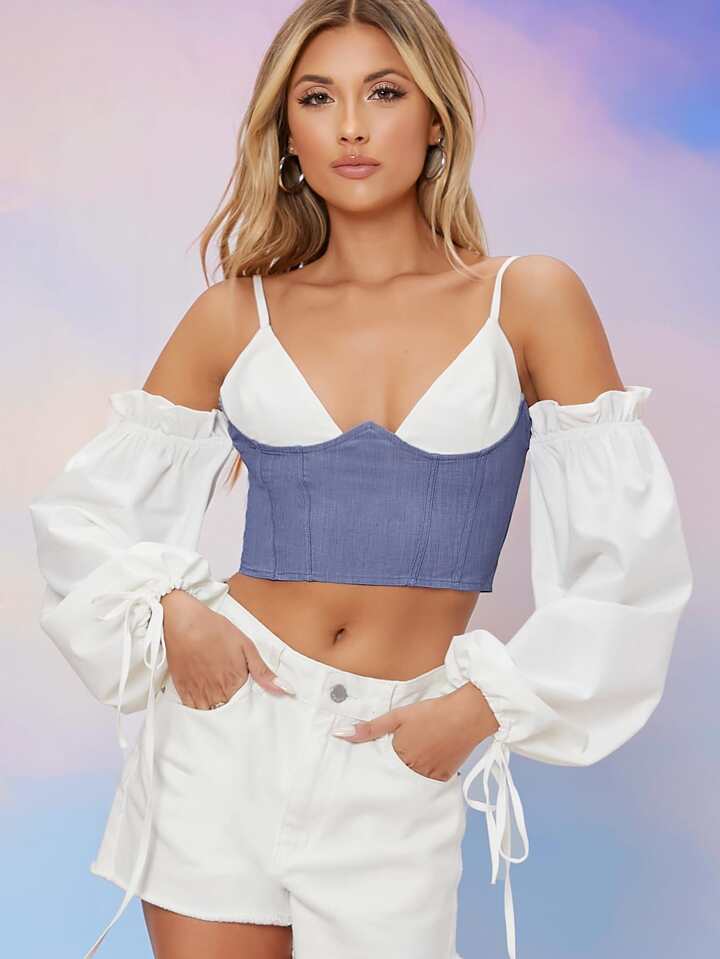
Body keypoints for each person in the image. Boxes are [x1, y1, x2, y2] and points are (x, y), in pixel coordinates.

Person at [28, 3, 693, 958]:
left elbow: (628, 565)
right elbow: (81, 515)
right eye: (317, 98)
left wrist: (473, 711)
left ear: (436, 119)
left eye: (383, 92)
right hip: (225, 737)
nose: (350, 126)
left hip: (395, 745)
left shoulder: (529, 297)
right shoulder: (235, 313)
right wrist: (173, 610)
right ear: (286, 135)